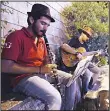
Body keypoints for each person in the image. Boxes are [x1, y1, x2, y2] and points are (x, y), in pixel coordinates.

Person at [1, 4, 73, 110]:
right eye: (43, 23)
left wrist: (47, 63)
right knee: (54, 97)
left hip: (39, 74)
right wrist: (40, 69)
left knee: (70, 80)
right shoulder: (16, 36)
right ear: (31, 20)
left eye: (48, 25)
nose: (45, 28)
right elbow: (5, 66)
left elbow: (43, 64)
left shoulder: (41, 40)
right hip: (22, 78)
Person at [58, 26, 101, 97]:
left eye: (89, 37)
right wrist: (76, 53)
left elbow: (84, 54)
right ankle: (85, 93)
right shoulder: (75, 40)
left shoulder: (85, 46)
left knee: (96, 71)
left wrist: (94, 52)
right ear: (83, 33)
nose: (88, 38)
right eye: (88, 36)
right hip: (69, 63)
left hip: (78, 64)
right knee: (87, 73)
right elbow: (64, 46)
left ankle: (87, 90)